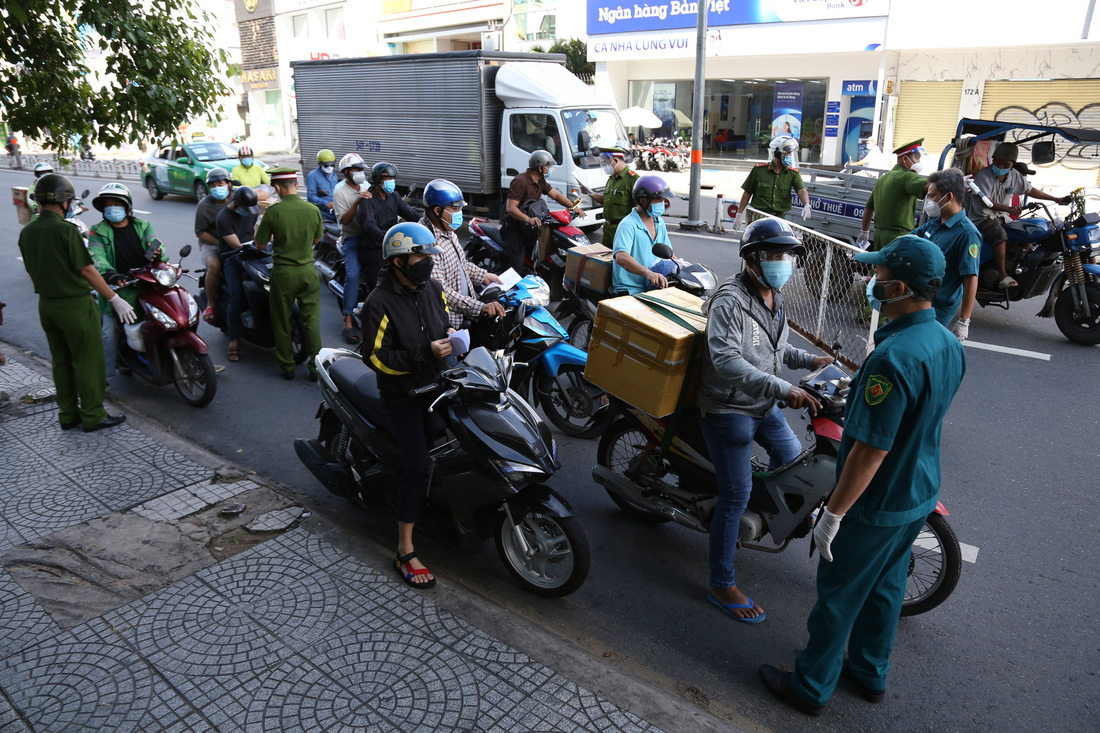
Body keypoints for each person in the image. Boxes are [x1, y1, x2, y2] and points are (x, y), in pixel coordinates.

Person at [759, 235, 965, 715]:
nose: (870, 283)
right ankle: (870, 672)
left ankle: (810, 687)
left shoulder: (891, 360)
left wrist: (833, 513)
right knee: (887, 586)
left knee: (839, 594)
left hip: (878, 500)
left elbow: (870, 451)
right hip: (918, 491)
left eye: (878, 276)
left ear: (899, 288)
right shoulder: (946, 342)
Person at [697, 217, 832, 624]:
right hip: (728, 409)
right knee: (735, 496)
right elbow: (725, 361)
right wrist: (783, 389)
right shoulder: (729, 301)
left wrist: (812, 361)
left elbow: (776, 349)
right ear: (753, 260)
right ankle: (721, 583)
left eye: (788, 257)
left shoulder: (775, 295)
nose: (784, 264)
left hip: (761, 404)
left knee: (794, 464)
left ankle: (759, 521)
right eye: (776, 256)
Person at [361, 222, 451, 590]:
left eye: (429, 256)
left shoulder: (434, 288)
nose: (427, 262)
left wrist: (452, 344)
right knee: (417, 467)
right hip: (402, 395)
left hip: (438, 384)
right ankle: (404, 550)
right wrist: (422, 354)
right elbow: (374, 357)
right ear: (399, 261)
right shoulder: (378, 302)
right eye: (420, 256)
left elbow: (445, 324)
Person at [18, 174, 126, 431]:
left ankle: (67, 414)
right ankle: (93, 415)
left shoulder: (27, 232)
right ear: (65, 202)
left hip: (47, 305)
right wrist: (114, 297)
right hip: (75, 305)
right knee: (88, 361)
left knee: (61, 361)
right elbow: (87, 270)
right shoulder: (66, 230)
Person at [87, 182, 165, 383]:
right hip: (116, 287)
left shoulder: (143, 225)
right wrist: (110, 273)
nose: (112, 207)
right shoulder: (97, 231)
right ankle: (106, 378)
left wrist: (157, 252)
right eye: (107, 204)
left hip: (146, 283)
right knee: (109, 332)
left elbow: (156, 244)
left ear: (127, 206)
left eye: (116, 203)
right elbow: (96, 257)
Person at [966, 142, 1070, 288]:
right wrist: (1008, 208)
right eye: (999, 163)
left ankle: (1016, 268)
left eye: (1006, 165)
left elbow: (1030, 190)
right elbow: (986, 202)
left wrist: (1055, 199)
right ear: (993, 160)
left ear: (1012, 164)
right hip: (982, 218)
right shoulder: (983, 176)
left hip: (1002, 217)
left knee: (1027, 234)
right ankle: (1003, 275)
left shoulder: (1014, 176)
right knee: (999, 235)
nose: (1001, 167)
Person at [254, 167, 323, 380]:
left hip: (283, 274)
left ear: (277, 187)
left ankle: (287, 367)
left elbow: (260, 245)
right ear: (296, 185)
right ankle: (315, 367)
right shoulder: (313, 210)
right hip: (307, 272)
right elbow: (317, 240)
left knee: (281, 320)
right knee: (311, 322)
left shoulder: (273, 212)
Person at [419, 179, 505, 329]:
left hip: (464, 313)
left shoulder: (447, 231)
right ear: (437, 211)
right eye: (455, 209)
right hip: (449, 324)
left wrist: (483, 275)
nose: (460, 213)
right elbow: (440, 290)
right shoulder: (427, 243)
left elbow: (460, 263)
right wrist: (479, 307)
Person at [909, 169, 981, 340]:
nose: (929, 201)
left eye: (933, 196)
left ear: (948, 197)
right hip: (917, 299)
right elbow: (909, 240)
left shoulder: (967, 233)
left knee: (919, 348)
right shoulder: (935, 222)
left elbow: (971, 277)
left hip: (937, 308)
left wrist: (964, 320)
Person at [501, 150, 586, 273]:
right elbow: (511, 208)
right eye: (549, 166)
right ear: (540, 168)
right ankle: (509, 289)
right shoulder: (521, 181)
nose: (551, 169)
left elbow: (555, 195)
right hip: (514, 227)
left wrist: (573, 207)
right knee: (517, 264)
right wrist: (528, 219)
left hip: (530, 227)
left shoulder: (540, 181)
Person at [357, 161, 419, 306]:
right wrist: (386, 236)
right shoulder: (368, 199)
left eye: (393, 179)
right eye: (388, 179)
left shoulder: (394, 196)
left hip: (393, 245)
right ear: (378, 181)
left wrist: (427, 223)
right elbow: (368, 224)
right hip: (375, 248)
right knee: (379, 286)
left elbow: (409, 213)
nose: (392, 182)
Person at [858, 139, 930, 251]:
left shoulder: (883, 178)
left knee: (879, 267)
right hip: (899, 237)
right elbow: (928, 186)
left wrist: (865, 231)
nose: (919, 162)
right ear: (905, 159)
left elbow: (868, 207)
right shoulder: (907, 176)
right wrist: (951, 181)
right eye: (917, 158)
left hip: (879, 236)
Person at [215, 186, 261, 362]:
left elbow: (255, 233)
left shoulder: (251, 211)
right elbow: (237, 246)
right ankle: (233, 340)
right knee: (237, 295)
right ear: (236, 203)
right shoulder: (223, 218)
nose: (248, 213)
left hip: (254, 254)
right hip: (233, 257)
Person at [611, 175, 678, 295]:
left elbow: (669, 254)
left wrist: (683, 267)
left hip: (654, 287)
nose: (662, 204)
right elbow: (621, 256)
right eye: (658, 200)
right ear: (643, 201)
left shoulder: (659, 222)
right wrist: (648, 273)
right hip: (631, 289)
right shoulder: (628, 225)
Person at [333, 153, 373, 343]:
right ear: (347, 172)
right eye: (357, 170)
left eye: (361, 170)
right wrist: (357, 201)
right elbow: (344, 220)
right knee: (353, 275)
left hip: (370, 236)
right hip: (352, 238)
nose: (360, 173)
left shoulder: (366, 186)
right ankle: (347, 319)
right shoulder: (340, 191)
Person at [734, 135, 811, 226]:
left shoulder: (792, 173)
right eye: (788, 153)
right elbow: (747, 192)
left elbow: (801, 190)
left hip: (779, 220)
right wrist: (739, 214)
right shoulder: (759, 170)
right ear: (778, 153)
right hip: (759, 217)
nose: (790, 156)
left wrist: (806, 204)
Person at [577, 146, 638, 248]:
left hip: (622, 229)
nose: (604, 166)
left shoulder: (633, 179)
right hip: (608, 228)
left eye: (606, 163)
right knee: (606, 260)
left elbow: (639, 207)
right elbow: (605, 200)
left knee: (620, 259)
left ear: (615, 160)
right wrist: (589, 192)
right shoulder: (611, 179)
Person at [194, 167, 233, 323]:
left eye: (220, 184)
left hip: (236, 239)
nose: (217, 188)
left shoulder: (237, 197)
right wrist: (221, 243)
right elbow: (200, 232)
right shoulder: (204, 205)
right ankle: (211, 303)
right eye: (213, 185)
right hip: (213, 242)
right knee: (215, 265)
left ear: (228, 184)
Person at [306, 148, 338, 222]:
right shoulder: (313, 176)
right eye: (326, 165)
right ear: (319, 163)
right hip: (323, 214)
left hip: (335, 212)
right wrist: (325, 203)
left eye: (332, 165)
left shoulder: (334, 175)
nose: (329, 167)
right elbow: (311, 197)